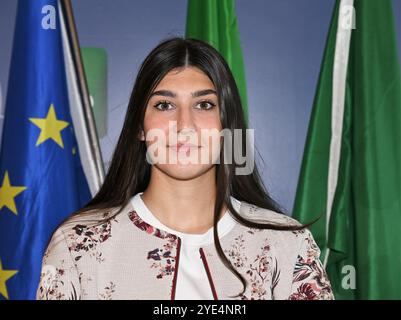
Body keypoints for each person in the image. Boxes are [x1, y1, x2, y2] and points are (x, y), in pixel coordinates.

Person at [36, 37, 334, 300]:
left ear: (226, 125)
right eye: (164, 105)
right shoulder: (78, 245)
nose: (184, 126)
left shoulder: (285, 243)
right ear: (140, 126)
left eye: (204, 105)